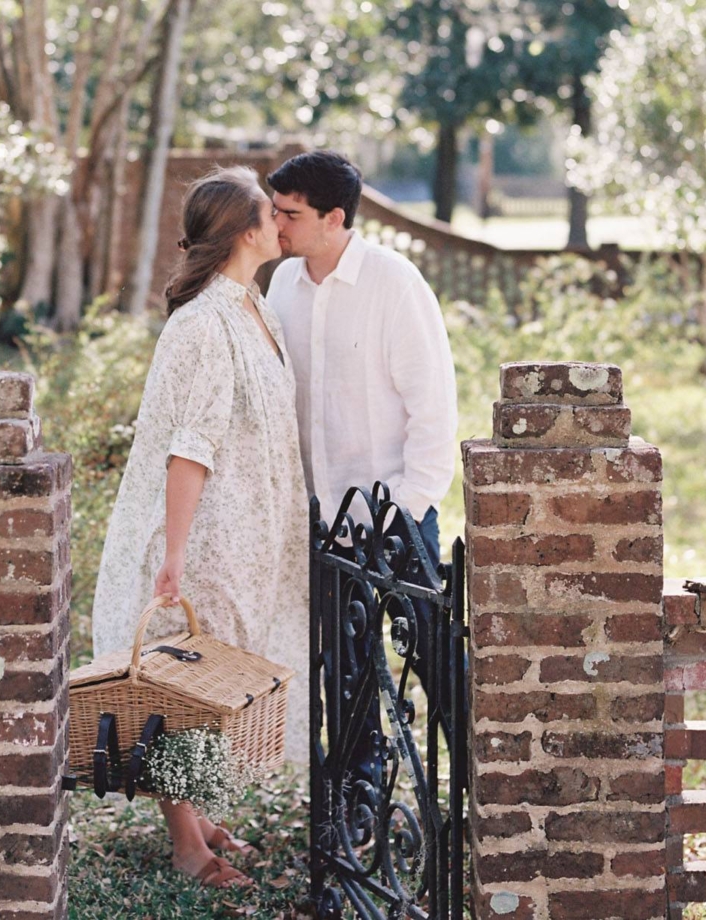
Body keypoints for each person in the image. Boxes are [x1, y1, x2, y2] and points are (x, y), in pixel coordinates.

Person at [91, 166, 309, 889]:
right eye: (270, 215)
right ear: (247, 232)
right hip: (204, 535)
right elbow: (191, 447)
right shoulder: (204, 324)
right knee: (184, 691)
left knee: (216, 683)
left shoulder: (255, 308)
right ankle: (187, 843)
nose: (283, 222)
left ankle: (200, 818)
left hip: (249, 531)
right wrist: (174, 555)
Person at [265, 150, 458, 784]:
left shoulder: (394, 284)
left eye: (290, 214)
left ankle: (483, 788)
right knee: (342, 676)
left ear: (335, 218)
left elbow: (433, 410)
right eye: (276, 209)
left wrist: (407, 508)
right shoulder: (283, 283)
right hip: (322, 524)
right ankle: (359, 800)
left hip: (395, 515)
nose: (276, 224)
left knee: (435, 662)